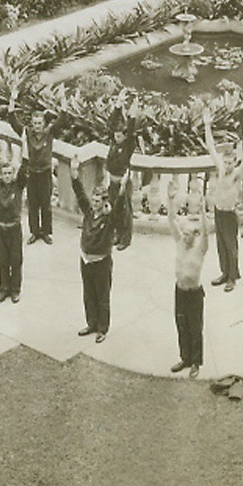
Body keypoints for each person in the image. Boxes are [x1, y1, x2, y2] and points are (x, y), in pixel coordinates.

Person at [70, 145, 118, 342]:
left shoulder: (109, 220)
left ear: (105, 202)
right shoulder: (89, 213)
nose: (94, 202)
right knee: (88, 294)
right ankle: (91, 323)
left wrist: (111, 207)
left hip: (101, 262)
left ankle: (102, 329)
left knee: (102, 296)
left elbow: (118, 209)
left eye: (98, 200)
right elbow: (80, 194)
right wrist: (74, 174)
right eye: (94, 199)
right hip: (85, 259)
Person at [203, 108, 243, 292]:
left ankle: (232, 277)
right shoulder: (221, 169)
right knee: (221, 244)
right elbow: (211, 147)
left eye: (230, 163)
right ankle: (224, 273)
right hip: (218, 211)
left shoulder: (236, 175)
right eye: (226, 162)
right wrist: (207, 125)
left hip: (229, 214)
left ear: (234, 162)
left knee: (231, 246)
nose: (228, 165)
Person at [167, 177, 208, 375]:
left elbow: (207, 233)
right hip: (180, 291)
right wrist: (170, 199)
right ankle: (184, 358)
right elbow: (170, 220)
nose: (184, 235)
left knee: (195, 327)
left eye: (188, 233)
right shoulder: (179, 243)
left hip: (194, 294)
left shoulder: (200, 249)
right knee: (181, 325)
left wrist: (203, 210)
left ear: (196, 235)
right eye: (183, 233)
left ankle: (195, 362)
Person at [0, 134, 27, 303]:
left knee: (15, 261)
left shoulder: (18, 186)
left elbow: (25, 167)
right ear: (1, 175)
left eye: (10, 173)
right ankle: (4, 288)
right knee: (2, 260)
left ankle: (15, 289)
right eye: (5, 173)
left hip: (14, 228)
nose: (7, 176)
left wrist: (24, 146)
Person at [105, 97, 139, 250]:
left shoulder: (128, 145)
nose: (116, 138)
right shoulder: (113, 143)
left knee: (125, 211)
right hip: (112, 182)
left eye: (119, 136)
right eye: (115, 136)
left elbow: (131, 130)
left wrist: (132, 113)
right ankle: (117, 235)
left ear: (124, 137)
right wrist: (118, 105)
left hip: (123, 182)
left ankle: (125, 239)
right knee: (114, 209)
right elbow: (112, 124)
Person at [19, 110, 53, 245]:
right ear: (32, 124)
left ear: (44, 124)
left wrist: (62, 101)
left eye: (40, 123)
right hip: (32, 173)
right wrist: (12, 101)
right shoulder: (27, 133)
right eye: (35, 123)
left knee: (46, 204)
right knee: (32, 204)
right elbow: (13, 122)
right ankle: (34, 232)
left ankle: (45, 232)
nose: (37, 126)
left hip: (45, 173)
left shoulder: (49, 133)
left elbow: (63, 120)